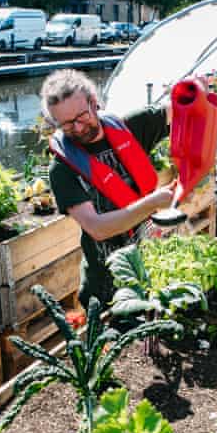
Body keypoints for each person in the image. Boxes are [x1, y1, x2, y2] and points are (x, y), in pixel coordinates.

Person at [41, 69, 174, 309]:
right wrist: (153, 203)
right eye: (67, 124)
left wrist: (195, 90)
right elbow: (97, 228)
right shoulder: (61, 169)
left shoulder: (131, 127)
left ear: (95, 102)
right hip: (107, 286)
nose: (78, 128)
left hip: (154, 263)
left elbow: (178, 109)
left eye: (82, 116)